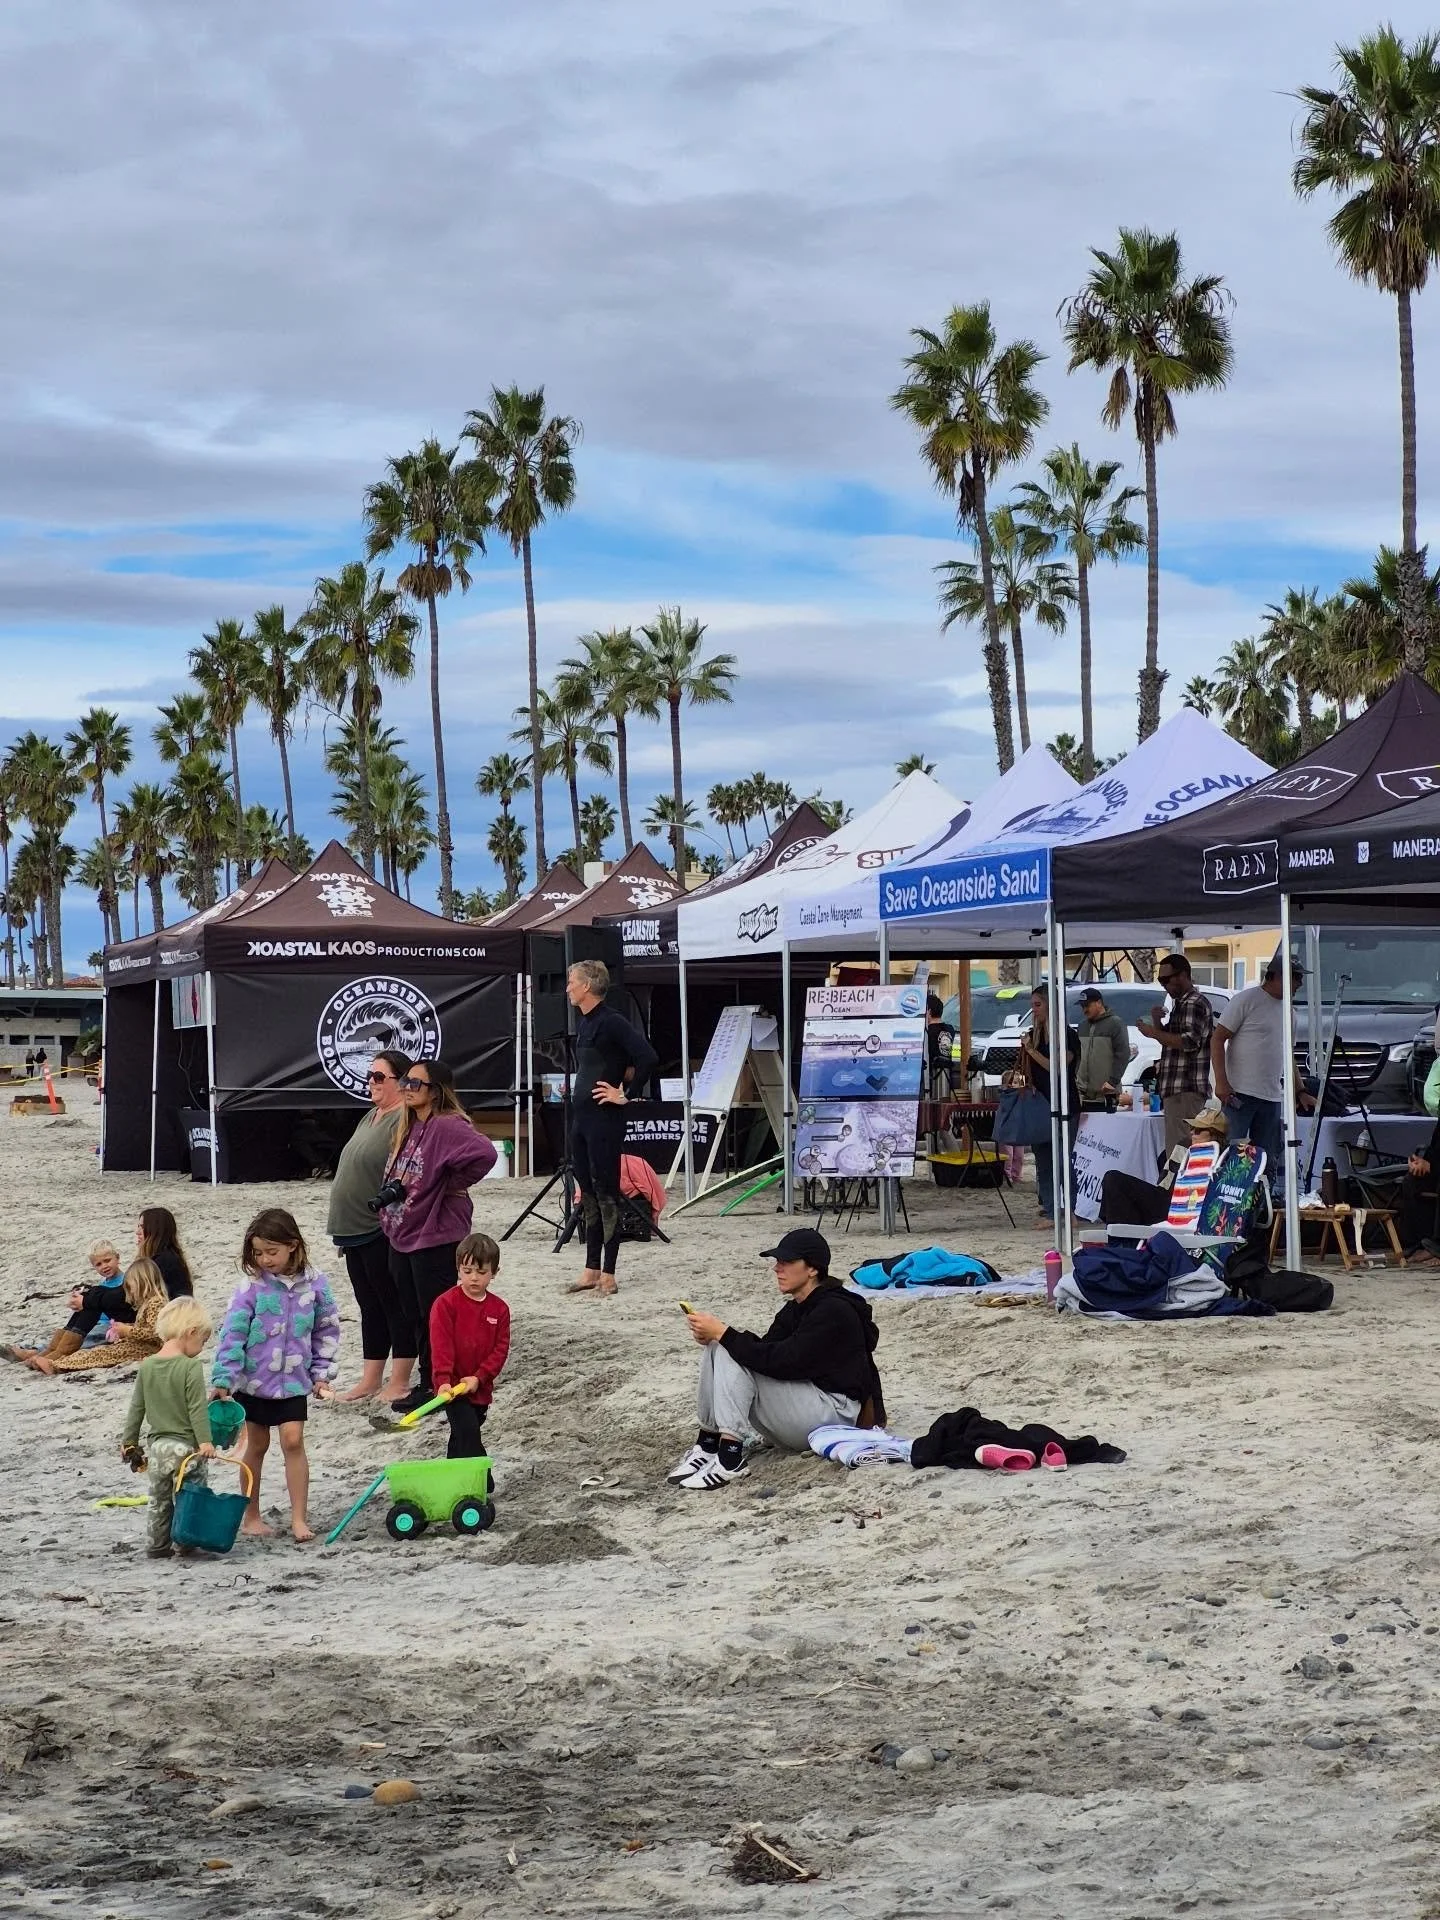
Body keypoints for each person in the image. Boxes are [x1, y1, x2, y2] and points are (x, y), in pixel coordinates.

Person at [670, 1228, 884, 1492]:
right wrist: (717, 1336)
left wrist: (725, 1334)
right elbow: (766, 1352)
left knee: (728, 1345)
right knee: (720, 1347)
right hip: (809, 1405)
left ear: (812, 1269)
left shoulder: (834, 1310)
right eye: (777, 1261)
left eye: (787, 1262)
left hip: (835, 1414)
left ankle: (729, 1457)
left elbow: (786, 1362)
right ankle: (708, 1445)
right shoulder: (796, 1307)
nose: (777, 1268)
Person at [211, 1208, 341, 1541]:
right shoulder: (251, 1286)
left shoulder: (316, 1284)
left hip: (294, 1381)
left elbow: (326, 1330)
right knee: (256, 1445)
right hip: (253, 1382)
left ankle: (299, 1518)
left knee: (293, 1441)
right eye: (258, 1253)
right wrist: (224, 1378)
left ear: (293, 1245)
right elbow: (232, 1334)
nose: (265, 1259)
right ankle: (251, 1516)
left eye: (272, 1251)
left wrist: (321, 1374)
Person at [377, 1059, 496, 1416]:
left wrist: (451, 1183)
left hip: (436, 1234)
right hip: (406, 1230)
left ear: (435, 1091)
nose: (407, 1088)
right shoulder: (411, 1123)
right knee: (414, 1311)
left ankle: (436, 1384)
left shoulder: (447, 1124)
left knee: (435, 1312)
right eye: (406, 1081)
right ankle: (430, 1379)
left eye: (416, 1083)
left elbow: (486, 1153)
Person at [327, 1048, 417, 1404]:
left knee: (393, 1302)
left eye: (379, 1076)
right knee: (369, 1304)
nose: (371, 1082)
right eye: (370, 1076)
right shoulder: (371, 1115)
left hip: (379, 1226)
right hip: (352, 1227)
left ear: (401, 1081)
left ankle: (400, 1380)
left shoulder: (405, 1118)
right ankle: (371, 1379)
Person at [564, 960, 659, 1297]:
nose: (567, 988)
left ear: (587, 986)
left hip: (605, 1119)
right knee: (587, 1192)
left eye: (571, 982)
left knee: (606, 1192)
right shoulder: (584, 1022)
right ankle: (591, 1268)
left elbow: (647, 1057)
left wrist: (626, 1095)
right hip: (581, 1118)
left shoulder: (612, 1021)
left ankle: (609, 1272)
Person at [11, 1208, 194, 1369]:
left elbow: (126, 1296)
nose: (137, 1231)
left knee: (93, 1304)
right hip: (152, 1320)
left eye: (141, 1226)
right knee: (92, 1298)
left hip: (161, 1328)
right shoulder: (163, 1257)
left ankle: (52, 1354)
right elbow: (127, 1294)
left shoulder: (163, 1261)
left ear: (154, 1230)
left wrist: (88, 1300)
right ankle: (50, 1351)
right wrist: (88, 1297)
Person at [121, 1297, 218, 1558]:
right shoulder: (190, 1366)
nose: (201, 1348)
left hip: (159, 1449)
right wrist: (205, 1441)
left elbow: (137, 1408)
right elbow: (197, 1408)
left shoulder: (148, 1365)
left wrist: (129, 1442)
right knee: (191, 1495)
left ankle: (157, 1546)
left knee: (159, 1500)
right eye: (203, 1341)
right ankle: (186, 1541)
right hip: (186, 1449)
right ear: (191, 1332)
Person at [1210, 958, 1315, 1188]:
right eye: (1296, 977)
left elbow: (1288, 1054)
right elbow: (1217, 1039)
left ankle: (1262, 1203)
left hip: (1271, 1096)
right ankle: (1226, 1203)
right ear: (1277, 976)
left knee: (1266, 1158)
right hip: (1239, 1093)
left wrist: (1300, 1091)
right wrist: (1221, 1082)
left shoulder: (1290, 1012)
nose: (1300, 984)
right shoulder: (1246, 1000)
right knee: (1233, 1155)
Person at [429, 1232, 511, 1459]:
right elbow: (441, 1346)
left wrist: (479, 1377)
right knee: (468, 1434)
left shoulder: (500, 1309)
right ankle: (484, 1476)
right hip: (453, 1389)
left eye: (481, 1272)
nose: (474, 1278)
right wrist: (443, 1380)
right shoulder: (445, 1304)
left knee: (461, 1440)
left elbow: (500, 1350)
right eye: (467, 1271)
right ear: (458, 1270)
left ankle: (452, 1474)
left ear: (494, 1272)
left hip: (480, 1387)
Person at [1098, 1101, 1230, 1226]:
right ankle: (1119, 1236)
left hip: (1193, 1210)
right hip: (1169, 1202)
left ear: (1215, 1134)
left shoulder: (1226, 1158)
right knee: (1113, 1179)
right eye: (1192, 1127)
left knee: (1114, 1180)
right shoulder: (1184, 1146)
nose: (1192, 1133)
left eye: (1198, 1130)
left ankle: (1122, 1238)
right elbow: (1163, 1186)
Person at [30, 1257, 169, 1374]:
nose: (129, 1291)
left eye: (130, 1286)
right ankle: (55, 1360)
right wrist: (124, 1328)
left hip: (146, 1349)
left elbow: (155, 1334)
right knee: (98, 1352)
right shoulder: (148, 1303)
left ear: (143, 1283)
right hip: (138, 1346)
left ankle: (55, 1365)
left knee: (101, 1355)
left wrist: (128, 1330)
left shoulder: (155, 1303)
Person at [1137, 954, 1214, 1154]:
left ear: (1183, 975)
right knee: (1177, 1147)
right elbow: (1169, 1040)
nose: (1163, 985)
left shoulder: (1193, 1003)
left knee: (1180, 1151)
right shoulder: (1181, 1003)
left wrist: (1153, 1032)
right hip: (1178, 1088)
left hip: (1185, 1088)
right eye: (1160, 980)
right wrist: (1156, 1022)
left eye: (1166, 979)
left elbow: (1188, 1041)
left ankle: (1177, 1177)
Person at [1019, 986, 1080, 1227]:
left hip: (1065, 1103)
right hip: (1040, 1105)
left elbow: (1057, 1067)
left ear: (1050, 1006)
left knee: (1063, 1159)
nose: (1034, 1010)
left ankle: (1071, 1210)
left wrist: (1031, 1051)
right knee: (1044, 1161)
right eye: (1032, 1005)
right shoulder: (1033, 1034)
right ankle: (1051, 1210)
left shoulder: (1067, 1035)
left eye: (1038, 1005)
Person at [1076, 987, 1129, 1109]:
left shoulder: (1115, 1024)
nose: (1084, 1010)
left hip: (1106, 1094)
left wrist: (1112, 1082)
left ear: (1099, 1003)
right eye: (1082, 1006)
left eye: (1087, 1005)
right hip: (1082, 1096)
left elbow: (1123, 1055)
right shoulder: (1082, 1026)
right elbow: (1078, 1056)